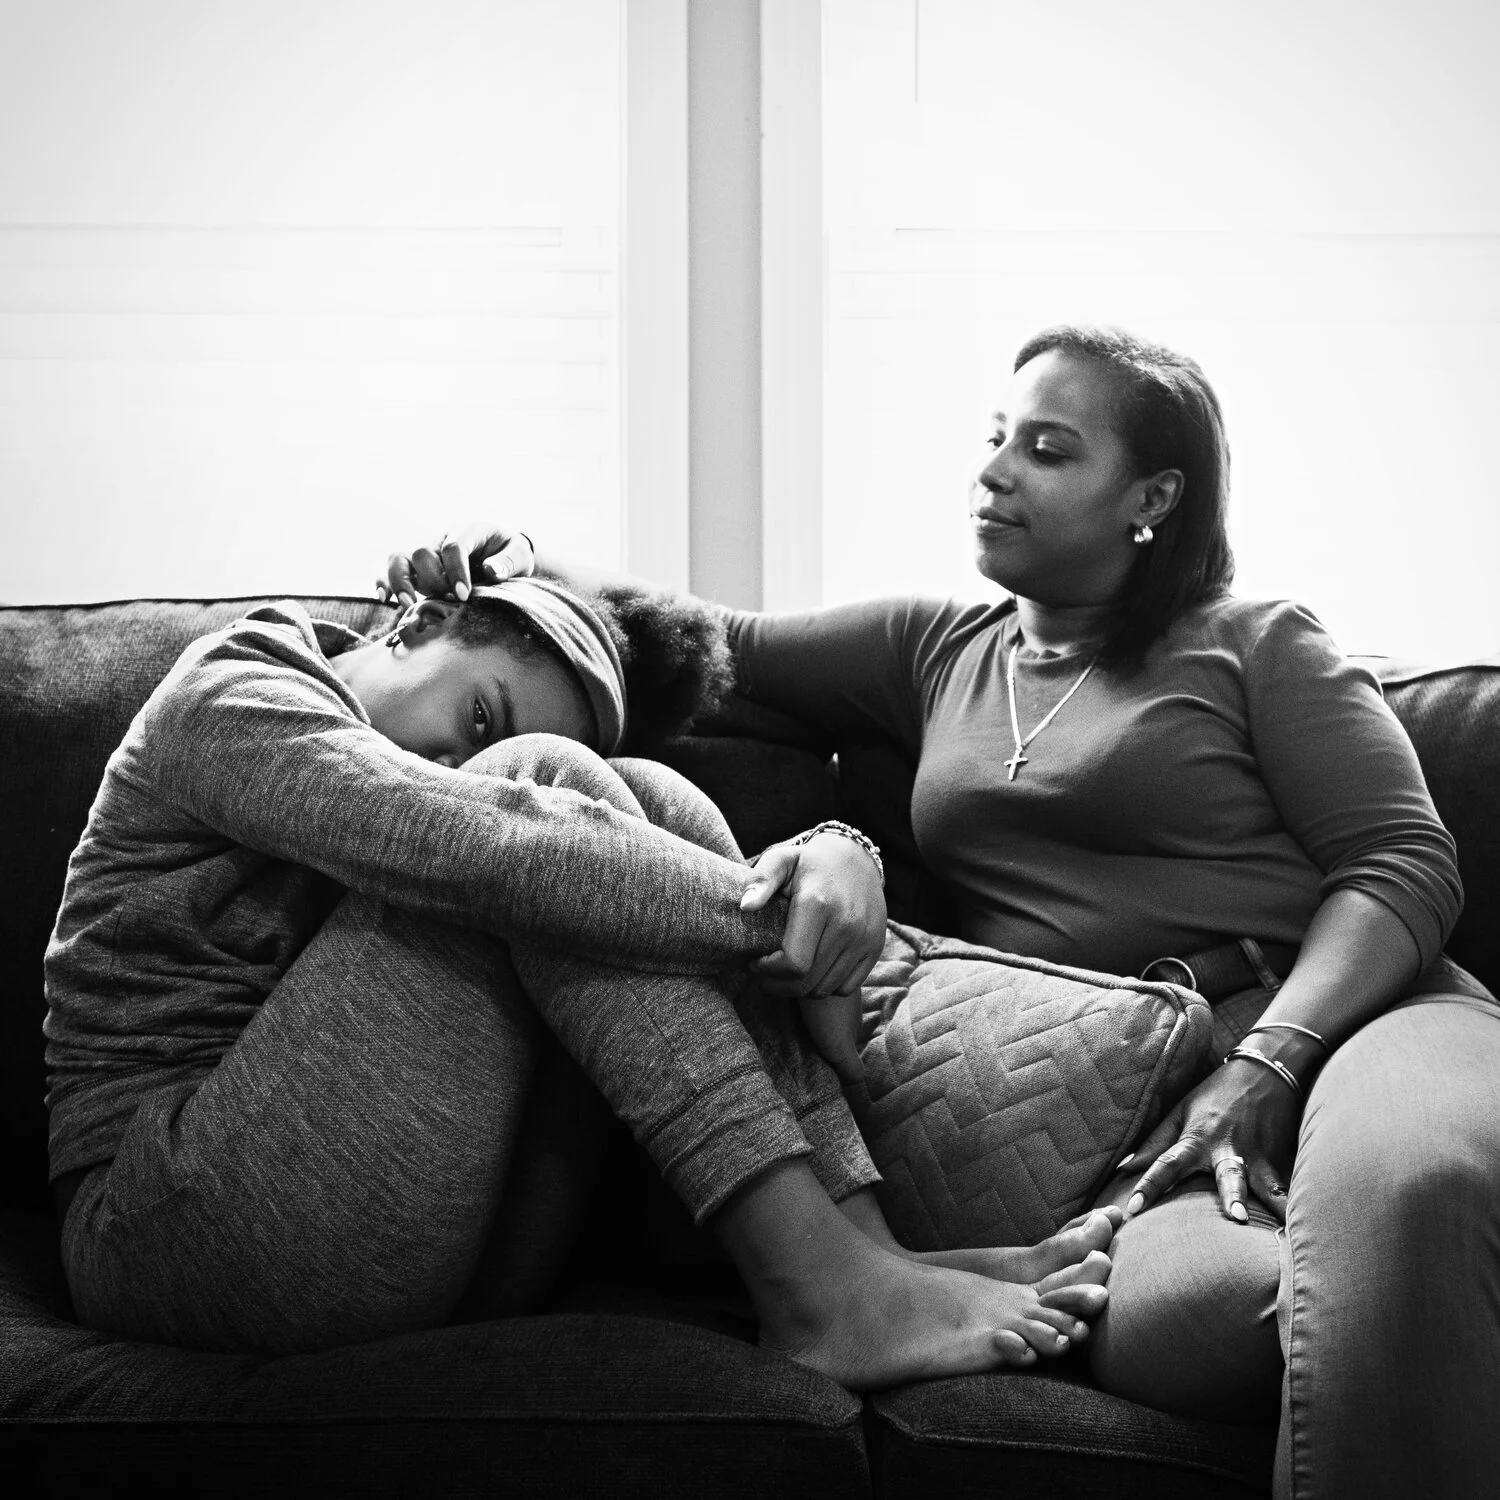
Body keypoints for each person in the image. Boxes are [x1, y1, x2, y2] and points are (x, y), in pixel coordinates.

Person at [402, 326, 1500, 1498]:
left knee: (1410, 1200)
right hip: (1119, 1104)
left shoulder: (1256, 644)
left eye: (1047, 448)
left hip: (1358, 1023)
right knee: (1230, 1314)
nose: (994, 470)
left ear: (1153, 497)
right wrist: (494, 579)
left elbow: (1401, 863)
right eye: (995, 438)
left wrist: (1272, 1065)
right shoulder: (940, 648)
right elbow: (699, 636)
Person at [43, 570, 1115, 1389]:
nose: (470, 748)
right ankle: (822, 1288)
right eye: (477, 713)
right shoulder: (232, 691)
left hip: (432, 1227)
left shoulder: (425, 659)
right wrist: (776, 923)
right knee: (530, 798)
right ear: (410, 629)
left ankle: (866, 1262)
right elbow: (483, 844)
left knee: (639, 793)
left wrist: (837, 849)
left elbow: (575, 812)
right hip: (178, 1229)